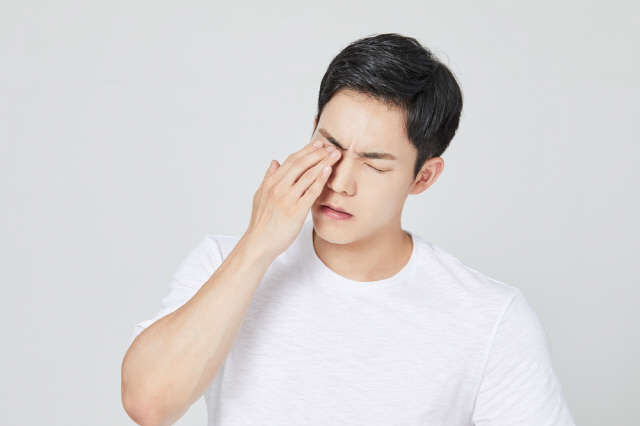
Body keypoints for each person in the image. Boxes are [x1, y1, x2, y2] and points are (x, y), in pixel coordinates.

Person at [121, 33, 575, 426]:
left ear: (423, 177)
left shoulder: (490, 317)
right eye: (329, 147)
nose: (339, 183)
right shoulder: (223, 263)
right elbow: (148, 405)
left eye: (374, 165)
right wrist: (257, 246)